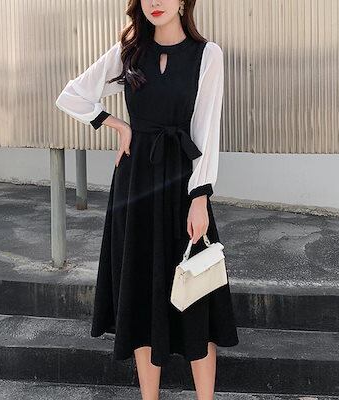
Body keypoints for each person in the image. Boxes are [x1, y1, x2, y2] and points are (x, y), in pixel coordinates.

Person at [55, 0, 239, 398]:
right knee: (140, 293)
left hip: (182, 182)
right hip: (135, 183)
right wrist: (116, 124)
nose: (156, 2)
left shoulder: (207, 55)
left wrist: (200, 197)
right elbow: (72, 95)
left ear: (184, 2)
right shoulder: (129, 52)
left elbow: (206, 130)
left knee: (197, 294)